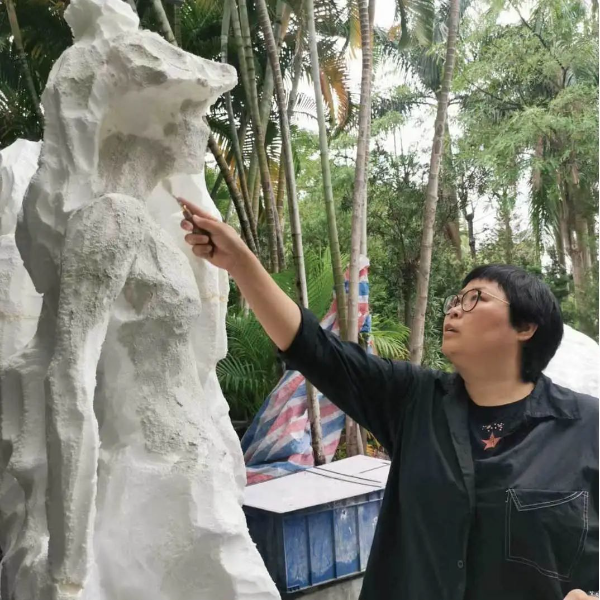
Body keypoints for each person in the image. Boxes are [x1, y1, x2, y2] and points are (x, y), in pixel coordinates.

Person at [179, 198, 598, 600]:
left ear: (526, 326)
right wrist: (239, 262)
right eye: (455, 300)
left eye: (476, 299)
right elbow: (314, 348)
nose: (454, 310)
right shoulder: (414, 401)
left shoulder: (586, 427)